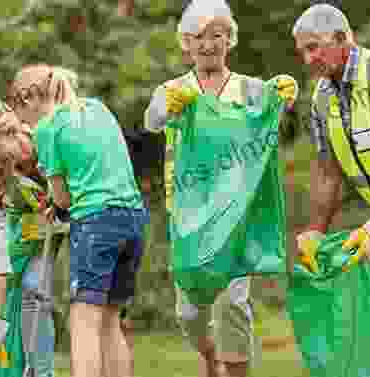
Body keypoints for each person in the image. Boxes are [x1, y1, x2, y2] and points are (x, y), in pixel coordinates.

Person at [142, 1, 298, 376]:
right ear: (186, 44)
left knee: (232, 302)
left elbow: (277, 125)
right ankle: (210, 356)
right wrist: (165, 107)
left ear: (230, 40)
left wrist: (283, 98)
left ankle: (236, 370)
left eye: (217, 35)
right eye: (199, 36)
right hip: (188, 212)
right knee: (188, 311)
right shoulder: (174, 88)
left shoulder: (249, 89)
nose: (208, 44)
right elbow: (150, 122)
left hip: (236, 211)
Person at [1, 64, 147, 377]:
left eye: (20, 114)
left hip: (97, 224)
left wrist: (56, 206)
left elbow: (63, 198)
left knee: (83, 321)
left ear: (28, 99)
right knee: (110, 320)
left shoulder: (47, 129)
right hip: (133, 219)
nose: (24, 124)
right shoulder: (97, 108)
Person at [292, 4, 370, 271]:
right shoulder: (321, 97)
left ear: (342, 38)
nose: (308, 60)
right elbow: (329, 174)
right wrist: (315, 233)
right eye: (303, 52)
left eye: (314, 47)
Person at [0, 98, 69, 377]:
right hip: (43, 231)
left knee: (87, 300)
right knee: (32, 287)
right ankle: (39, 372)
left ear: (10, 132)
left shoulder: (49, 139)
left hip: (84, 220)